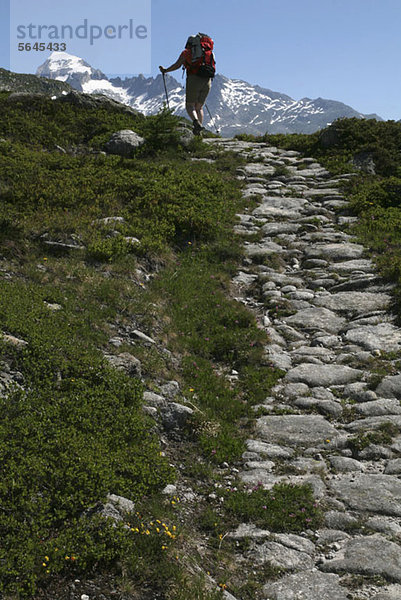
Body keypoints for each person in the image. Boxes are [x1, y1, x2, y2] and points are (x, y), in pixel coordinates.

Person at [159, 41, 213, 135]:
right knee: (199, 107)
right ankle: (198, 130)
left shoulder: (187, 52)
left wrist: (166, 70)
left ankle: (196, 124)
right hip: (207, 80)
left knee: (190, 105)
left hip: (194, 78)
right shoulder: (209, 53)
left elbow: (177, 65)